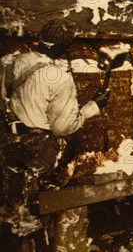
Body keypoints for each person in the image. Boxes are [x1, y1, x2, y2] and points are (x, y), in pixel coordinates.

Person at [0, 18, 109, 247]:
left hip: (7, 141)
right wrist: (93, 107)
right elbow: (63, 127)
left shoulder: (10, 63)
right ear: (65, 47)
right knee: (38, 206)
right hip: (37, 145)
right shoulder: (59, 76)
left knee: (12, 204)